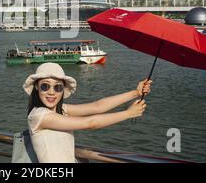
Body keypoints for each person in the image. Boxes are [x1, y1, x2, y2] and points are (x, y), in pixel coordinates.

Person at [23, 62, 151, 163]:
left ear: (63, 90)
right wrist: (127, 114)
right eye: (45, 86)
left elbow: (98, 106)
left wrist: (136, 93)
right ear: (36, 87)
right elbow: (90, 123)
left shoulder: (60, 110)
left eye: (58, 87)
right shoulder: (39, 116)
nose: (52, 92)